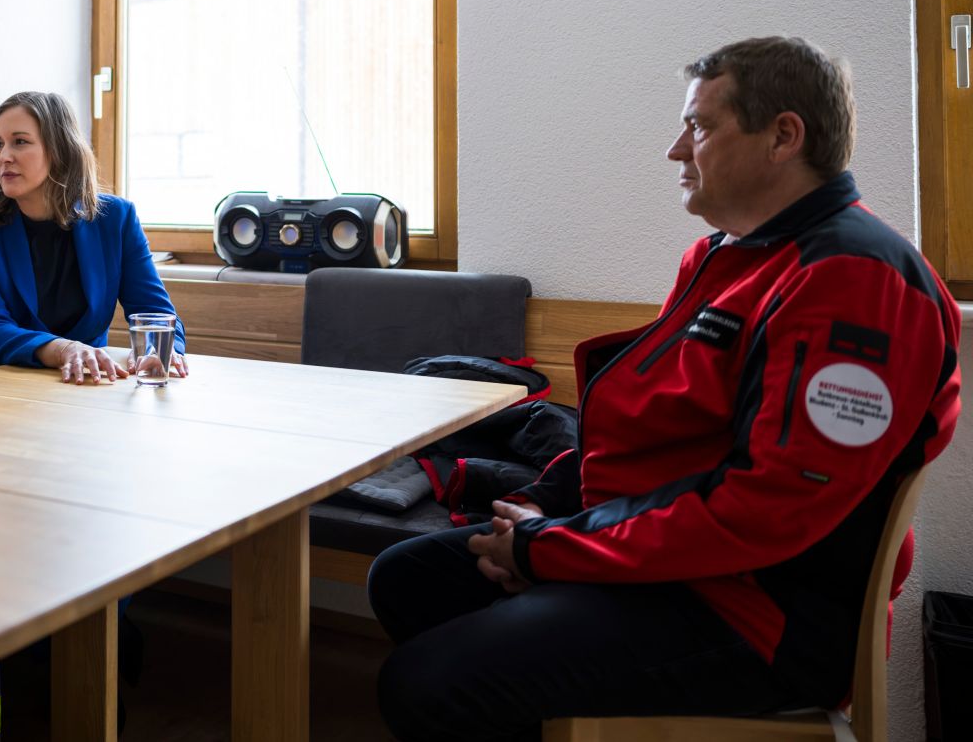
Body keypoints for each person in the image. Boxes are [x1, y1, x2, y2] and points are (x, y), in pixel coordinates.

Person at [367, 37, 961, 742]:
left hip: (757, 612)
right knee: (405, 577)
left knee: (423, 683)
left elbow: (766, 509)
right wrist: (545, 503)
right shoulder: (726, 254)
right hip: (678, 566)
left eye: (700, 126)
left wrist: (545, 549)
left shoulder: (856, 280)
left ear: (783, 136)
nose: (676, 150)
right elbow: (658, 428)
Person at [0, 90, 186, 383]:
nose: (3, 157)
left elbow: (153, 310)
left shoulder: (116, 219)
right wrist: (64, 349)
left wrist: (156, 350)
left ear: (59, 149)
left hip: (80, 386)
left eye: (20, 142)